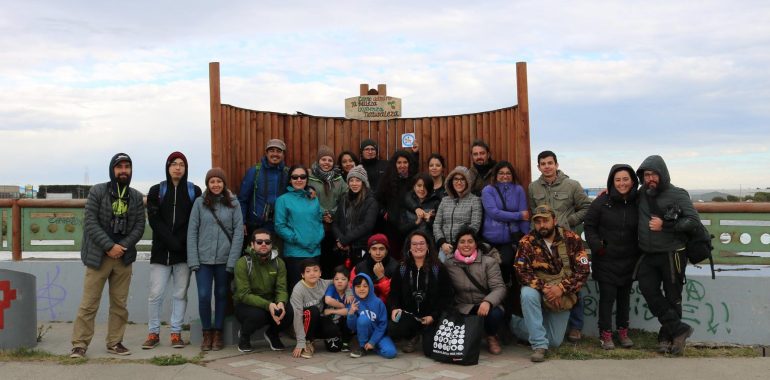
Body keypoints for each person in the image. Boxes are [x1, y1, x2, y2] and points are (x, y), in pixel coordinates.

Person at [70, 153, 146, 358]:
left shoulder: (136, 196)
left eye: (127, 167)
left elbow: (139, 226)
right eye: (119, 167)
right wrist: (108, 246)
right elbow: (90, 223)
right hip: (98, 257)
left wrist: (122, 246)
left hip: (123, 257)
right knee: (89, 303)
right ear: (112, 170)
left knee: (120, 304)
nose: (123, 171)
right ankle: (79, 344)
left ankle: (115, 342)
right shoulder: (98, 191)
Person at [635, 155, 699, 356]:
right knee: (648, 290)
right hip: (649, 254)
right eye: (646, 175)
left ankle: (668, 338)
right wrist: (606, 192)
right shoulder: (642, 193)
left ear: (663, 174)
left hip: (673, 254)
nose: (650, 178)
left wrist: (667, 224)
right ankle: (680, 329)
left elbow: (693, 221)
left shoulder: (677, 194)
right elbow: (623, 197)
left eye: (654, 174)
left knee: (673, 297)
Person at [510, 205, 590, 363]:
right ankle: (539, 345)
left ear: (554, 220)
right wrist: (545, 288)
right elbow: (521, 271)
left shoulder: (571, 238)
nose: (542, 225)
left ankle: (517, 325)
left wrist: (561, 288)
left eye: (545, 220)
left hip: (562, 294)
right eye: (537, 221)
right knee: (527, 294)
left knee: (554, 341)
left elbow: (583, 270)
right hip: (539, 290)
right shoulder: (527, 242)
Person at [528, 150, 591, 342]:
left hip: (566, 241)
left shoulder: (571, 185)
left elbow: (587, 207)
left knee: (573, 279)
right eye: (543, 164)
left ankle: (575, 326)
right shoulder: (533, 187)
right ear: (538, 167)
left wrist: (569, 221)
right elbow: (533, 212)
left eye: (550, 163)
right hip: (543, 242)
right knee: (548, 277)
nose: (547, 166)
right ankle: (551, 322)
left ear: (556, 164)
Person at [143, 152, 202, 350]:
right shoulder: (156, 190)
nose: (178, 168)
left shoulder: (195, 191)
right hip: (161, 252)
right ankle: (153, 332)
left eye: (182, 164)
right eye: (174, 164)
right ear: (167, 167)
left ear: (186, 168)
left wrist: (180, 242)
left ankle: (176, 333)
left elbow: (195, 220)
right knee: (155, 294)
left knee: (180, 294)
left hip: (184, 253)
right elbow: (154, 219)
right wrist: (170, 241)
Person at [583, 164, 640, 350]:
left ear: (632, 181)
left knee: (624, 298)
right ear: (611, 182)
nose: (622, 183)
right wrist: (598, 247)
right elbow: (589, 226)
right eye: (617, 180)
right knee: (607, 298)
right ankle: (605, 334)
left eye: (625, 179)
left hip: (629, 258)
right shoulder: (602, 201)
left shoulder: (638, 201)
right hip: (606, 258)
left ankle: (623, 331)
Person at [187, 167, 244, 351]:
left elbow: (238, 235)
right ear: (207, 184)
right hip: (203, 260)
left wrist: (232, 260)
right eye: (212, 181)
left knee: (221, 296)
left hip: (224, 260)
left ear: (224, 183)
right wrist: (193, 260)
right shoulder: (199, 203)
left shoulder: (234, 204)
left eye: (219, 181)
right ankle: (206, 333)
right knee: (204, 296)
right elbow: (192, 232)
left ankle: (218, 333)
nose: (216, 184)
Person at [388, 231, 453, 354]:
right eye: (414, 244)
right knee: (392, 328)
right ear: (409, 247)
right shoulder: (402, 267)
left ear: (428, 246)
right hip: (410, 316)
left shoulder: (438, 268)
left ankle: (426, 334)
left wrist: (433, 316)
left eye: (422, 243)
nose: (418, 247)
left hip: (432, 317)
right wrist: (394, 307)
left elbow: (446, 296)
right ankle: (413, 336)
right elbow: (394, 294)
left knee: (430, 350)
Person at [444, 227, 507, 355]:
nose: (466, 245)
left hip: (484, 304)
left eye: (470, 241)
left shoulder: (488, 262)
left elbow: (499, 287)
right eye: (462, 242)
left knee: (495, 314)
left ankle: (491, 336)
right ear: (457, 245)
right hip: (462, 306)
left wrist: (488, 302)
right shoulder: (449, 264)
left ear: (476, 244)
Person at [233, 229, 292, 353]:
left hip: (270, 302)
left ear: (271, 244)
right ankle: (244, 335)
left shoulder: (279, 263)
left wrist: (281, 302)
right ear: (252, 245)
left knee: (290, 311)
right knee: (257, 315)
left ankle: (272, 334)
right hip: (247, 304)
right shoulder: (243, 263)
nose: (263, 244)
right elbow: (244, 294)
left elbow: (281, 288)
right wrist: (268, 305)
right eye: (259, 242)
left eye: (267, 241)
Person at [274, 165, 324, 291]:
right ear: (290, 179)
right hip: (295, 253)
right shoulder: (283, 200)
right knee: (297, 290)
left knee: (313, 290)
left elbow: (319, 221)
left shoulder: (313, 198)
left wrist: (319, 237)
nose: (299, 180)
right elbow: (279, 226)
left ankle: (312, 312)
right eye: (295, 177)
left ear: (307, 179)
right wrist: (297, 239)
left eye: (302, 177)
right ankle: (296, 312)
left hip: (314, 251)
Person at [481, 161, 530, 285]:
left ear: (512, 175)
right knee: (490, 270)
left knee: (508, 265)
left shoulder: (518, 190)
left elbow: (525, 217)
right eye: (501, 173)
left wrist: (525, 237)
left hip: (510, 238)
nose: (505, 176)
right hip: (491, 238)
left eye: (508, 173)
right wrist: (517, 215)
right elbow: (494, 213)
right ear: (495, 175)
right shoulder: (488, 190)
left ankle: (508, 296)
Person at [290, 260, 344, 359]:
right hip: (302, 321)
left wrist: (349, 293)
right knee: (313, 311)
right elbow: (297, 316)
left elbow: (344, 282)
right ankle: (307, 341)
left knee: (333, 330)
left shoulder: (324, 283)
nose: (312, 273)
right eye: (308, 271)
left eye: (315, 270)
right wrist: (300, 342)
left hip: (318, 319)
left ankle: (314, 338)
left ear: (320, 273)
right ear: (302, 274)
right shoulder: (298, 289)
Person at [308, 146, 348, 278]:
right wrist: (323, 213)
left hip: (334, 226)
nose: (326, 162)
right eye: (323, 159)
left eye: (330, 160)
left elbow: (345, 198)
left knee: (333, 260)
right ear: (318, 160)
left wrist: (333, 214)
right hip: (315, 225)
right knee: (318, 260)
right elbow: (307, 199)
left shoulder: (339, 179)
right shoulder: (309, 177)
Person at [238, 138, 289, 236]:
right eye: (271, 150)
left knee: (278, 251)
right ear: (266, 153)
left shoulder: (287, 173)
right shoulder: (254, 172)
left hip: (280, 226)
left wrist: (309, 189)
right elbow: (243, 200)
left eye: (279, 151)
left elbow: (298, 188)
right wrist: (242, 222)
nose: (275, 154)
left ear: (283, 155)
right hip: (257, 226)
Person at [332, 165, 379, 269]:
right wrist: (340, 240)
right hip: (343, 249)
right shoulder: (344, 199)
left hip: (360, 248)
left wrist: (345, 240)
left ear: (363, 182)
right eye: (351, 180)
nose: (354, 183)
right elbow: (335, 223)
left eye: (357, 180)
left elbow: (367, 225)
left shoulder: (371, 201)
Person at [434, 166, 483, 262]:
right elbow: (437, 224)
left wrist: (459, 243)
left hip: (464, 248)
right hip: (445, 248)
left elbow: (475, 226)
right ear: (451, 181)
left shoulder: (475, 200)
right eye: (456, 179)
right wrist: (442, 243)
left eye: (462, 179)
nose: (459, 182)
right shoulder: (445, 201)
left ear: (468, 182)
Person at [376, 150, 419, 259]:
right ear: (394, 164)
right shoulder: (386, 181)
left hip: (411, 224)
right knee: (394, 255)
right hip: (392, 226)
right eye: (399, 163)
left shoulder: (415, 180)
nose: (402, 165)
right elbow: (378, 200)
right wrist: (384, 213)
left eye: (405, 162)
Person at [347, 273, 397, 359]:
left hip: (379, 335)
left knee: (391, 353)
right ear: (354, 288)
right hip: (363, 335)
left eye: (365, 286)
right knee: (363, 319)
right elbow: (352, 327)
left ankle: (372, 347)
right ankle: (362, 347)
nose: (361, 289)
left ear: (370, 287)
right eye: (358, 286)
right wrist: (351, 313)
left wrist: (373, 341)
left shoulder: (378, 302)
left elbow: (382, 325)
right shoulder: (354, 303)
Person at [350, 234, 398, 304]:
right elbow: (352, 287)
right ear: (369, 250)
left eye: (381, 249)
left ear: (386, 251)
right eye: (374, 249)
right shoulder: (359, 268)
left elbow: (394, 295)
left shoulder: (395, 267)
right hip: (364, 306)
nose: (377, 253)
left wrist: (381, 277)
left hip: (387, 308)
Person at [399, 173, 442, 241]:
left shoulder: (436, 202)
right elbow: (401, 230)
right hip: (410, 243)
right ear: (414, 186)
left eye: (425, 186)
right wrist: (416, 223)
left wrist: (429, 221)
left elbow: (440, 229)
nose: (422, 189)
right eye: (419, 186)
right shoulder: (407, 202)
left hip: (429, 244)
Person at [323, 265, 355, 352]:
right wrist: (341, 305)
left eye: (343, 279)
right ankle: (333, 337)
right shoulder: (332, 288)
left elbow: (348, 311)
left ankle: (345, 342)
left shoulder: (350, 293)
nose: (339, 281)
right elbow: (328, 300)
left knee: (348, 318)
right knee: (334, 348)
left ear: (348, 281)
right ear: (333, 280)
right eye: (336, 279)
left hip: (343, 322)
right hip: (332, 321)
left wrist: (331, 311)